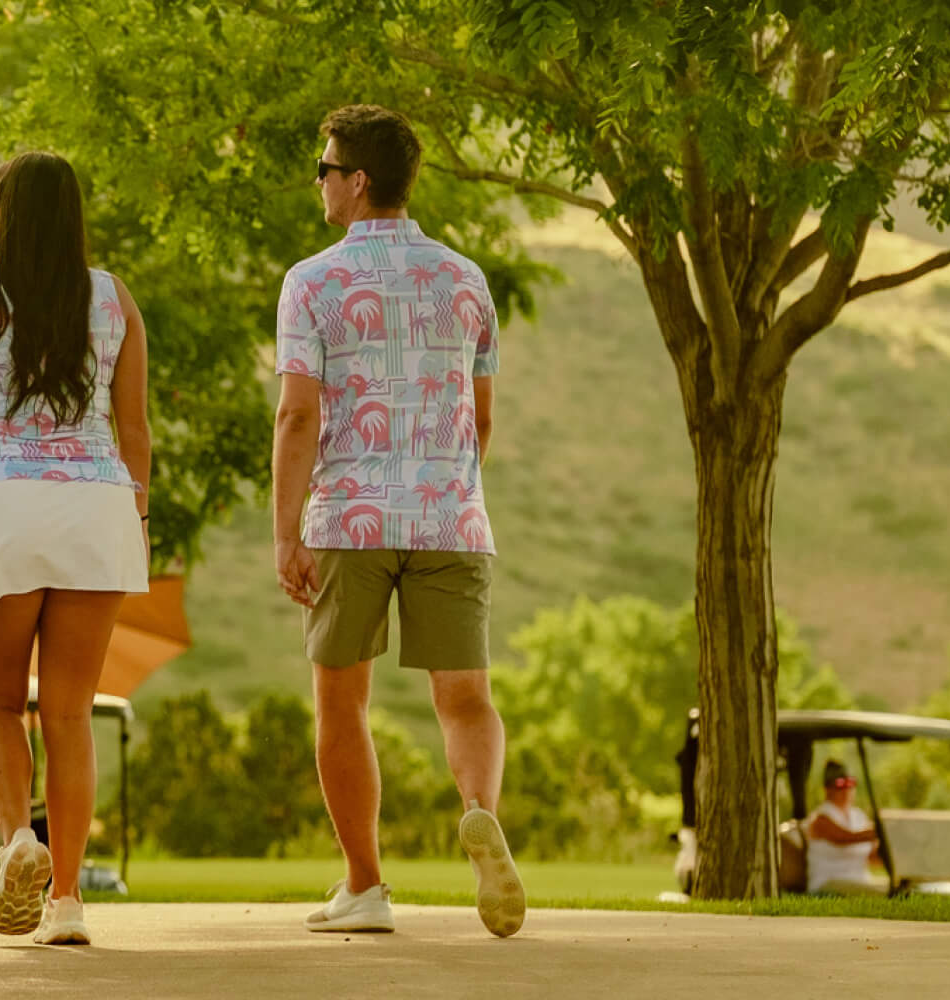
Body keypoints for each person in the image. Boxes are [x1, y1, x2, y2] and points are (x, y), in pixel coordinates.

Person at [272, 104, 525, 938]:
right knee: (465, 700)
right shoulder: (466, 280)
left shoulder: (312, 281)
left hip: (350, 517)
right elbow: (480, 418)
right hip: (452, 514)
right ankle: (479, 810)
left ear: (358, 182)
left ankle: (365, 886)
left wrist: (287, 532)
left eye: (325, 170)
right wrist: (448, 486)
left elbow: (297, 419)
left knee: (343, 705)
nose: (319, 184)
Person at [0, 151, 151, 947]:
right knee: (69, 714)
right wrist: (137, 519)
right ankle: (68, 904)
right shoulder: (114, 298)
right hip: (98, 505)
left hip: (5, 503)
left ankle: (17, 836)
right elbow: (136, 430)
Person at [805, 760, 886, 895]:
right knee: (885, 895)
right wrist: (883, 831)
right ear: (827, 788)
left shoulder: (858, 816)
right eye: (840, 784)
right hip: (828, 883)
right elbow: (845, 837)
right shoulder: (820, 818)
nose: (847, 789)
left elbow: (873, 858)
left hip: (860, 881)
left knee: (904, 891)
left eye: (851, 783)